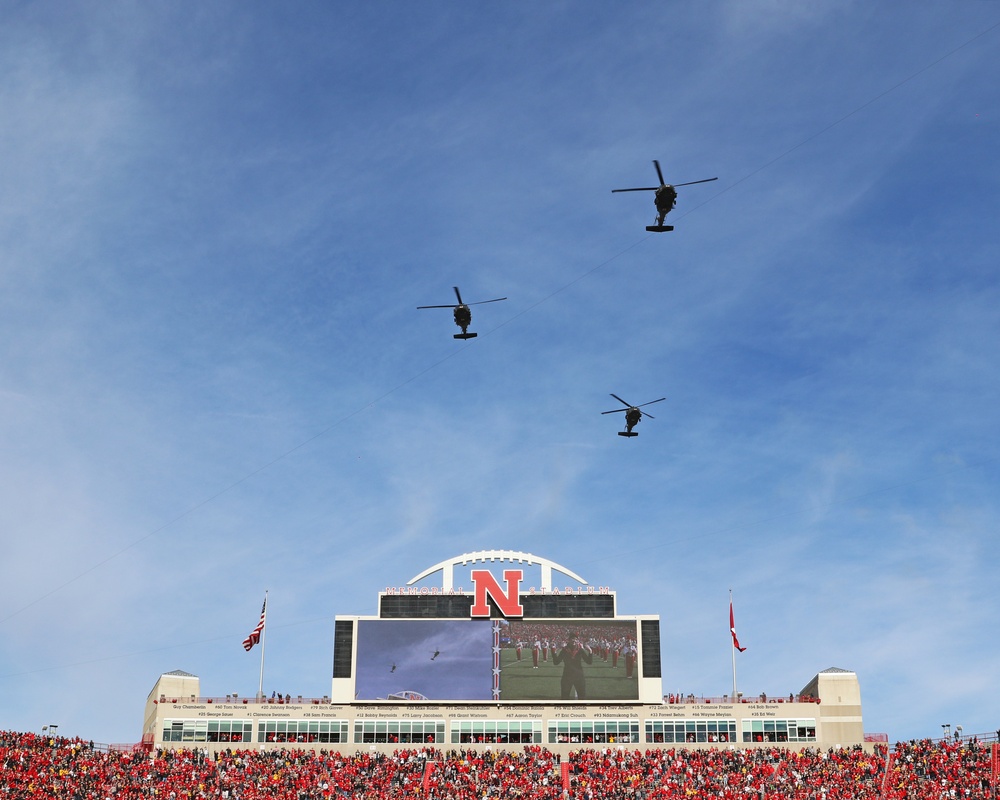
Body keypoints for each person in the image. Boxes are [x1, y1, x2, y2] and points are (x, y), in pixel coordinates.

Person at [553, 635, 593, 699]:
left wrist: (590, 651)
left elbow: (589, 662)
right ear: (568, 640)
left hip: (579, 676)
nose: (574, 640)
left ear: (577, 641)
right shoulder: (564, 650)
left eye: (575, 639)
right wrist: (555, 652)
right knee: (564, 697)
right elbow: (556, 662)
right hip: (567, 676)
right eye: (572, 639)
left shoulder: (580, 650)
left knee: (582, 697)